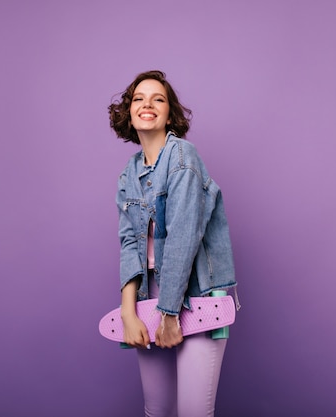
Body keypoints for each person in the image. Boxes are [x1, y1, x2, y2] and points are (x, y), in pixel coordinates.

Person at [108, 70, 239, 417]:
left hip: (197, 295)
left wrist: (169, 314)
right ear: (129, 113)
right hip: (149, 297)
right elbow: (128, 244)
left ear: (170, 114)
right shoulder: (128, 175)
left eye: (158, 99)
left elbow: (183, 235)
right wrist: (127, 312)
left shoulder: (183, 157)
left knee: (193, 412)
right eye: (138, 98)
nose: (147, 104)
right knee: (157, 410)